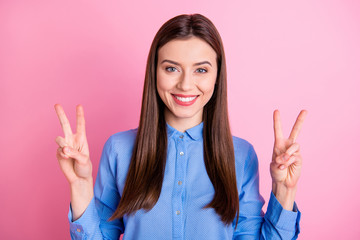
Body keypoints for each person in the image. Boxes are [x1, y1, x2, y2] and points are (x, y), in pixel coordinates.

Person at [54, 14, 307, 240]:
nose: (186, 85)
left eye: (201, 70)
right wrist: (80, 186)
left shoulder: (241, 155)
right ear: (155, 72)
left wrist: (285, 190)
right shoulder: (119, 149)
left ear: (217, 76)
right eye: (172, 68)